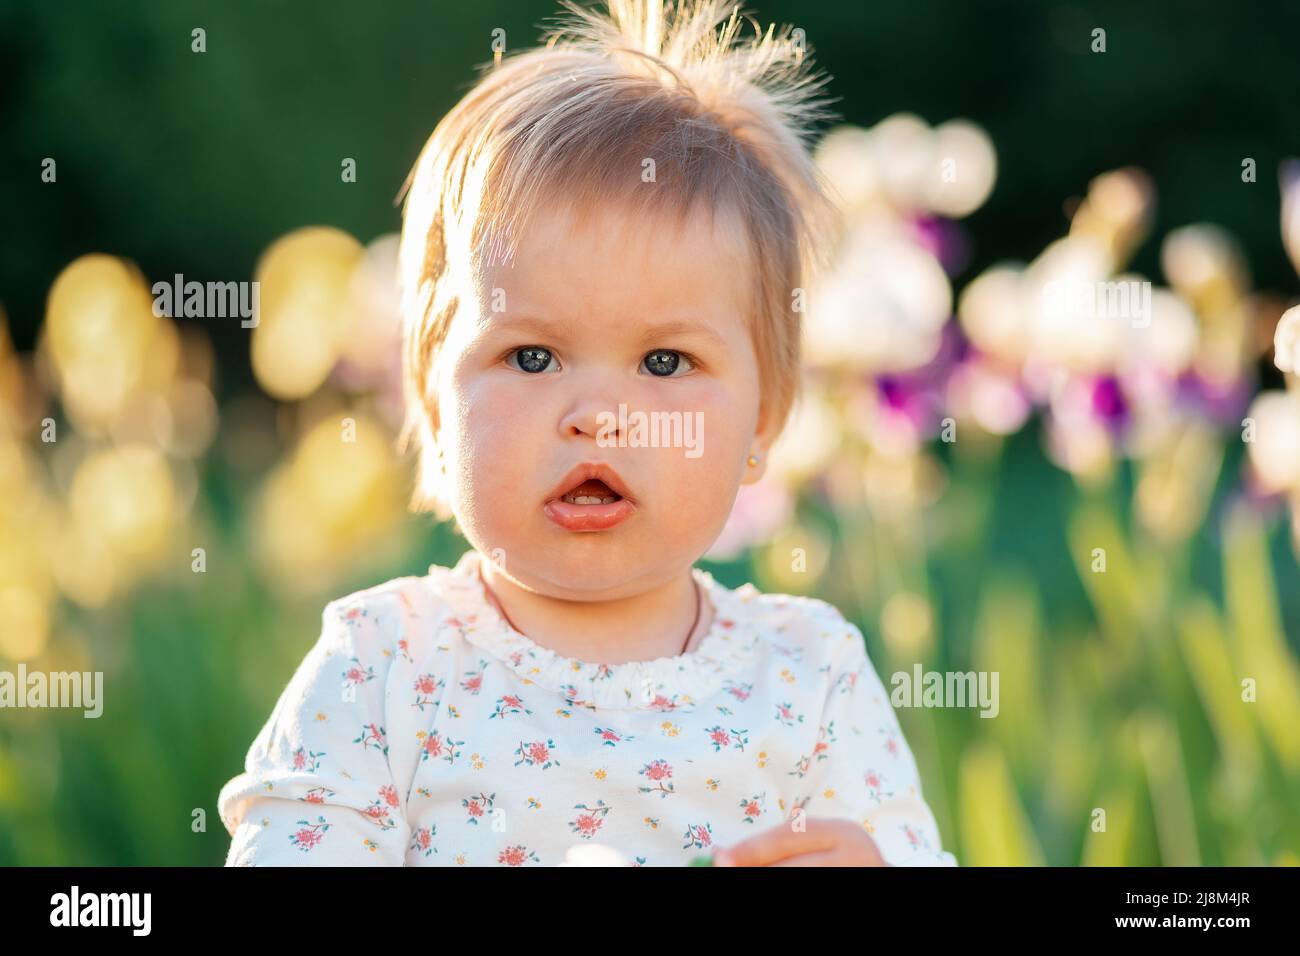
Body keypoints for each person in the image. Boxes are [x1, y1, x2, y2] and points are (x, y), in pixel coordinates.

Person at [217, 0, 956, 867]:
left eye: (666, 362)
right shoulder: (384, 668)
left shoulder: (810, 676)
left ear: (762, 421)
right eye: (531, 357)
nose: (600, 415)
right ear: (430, 399)